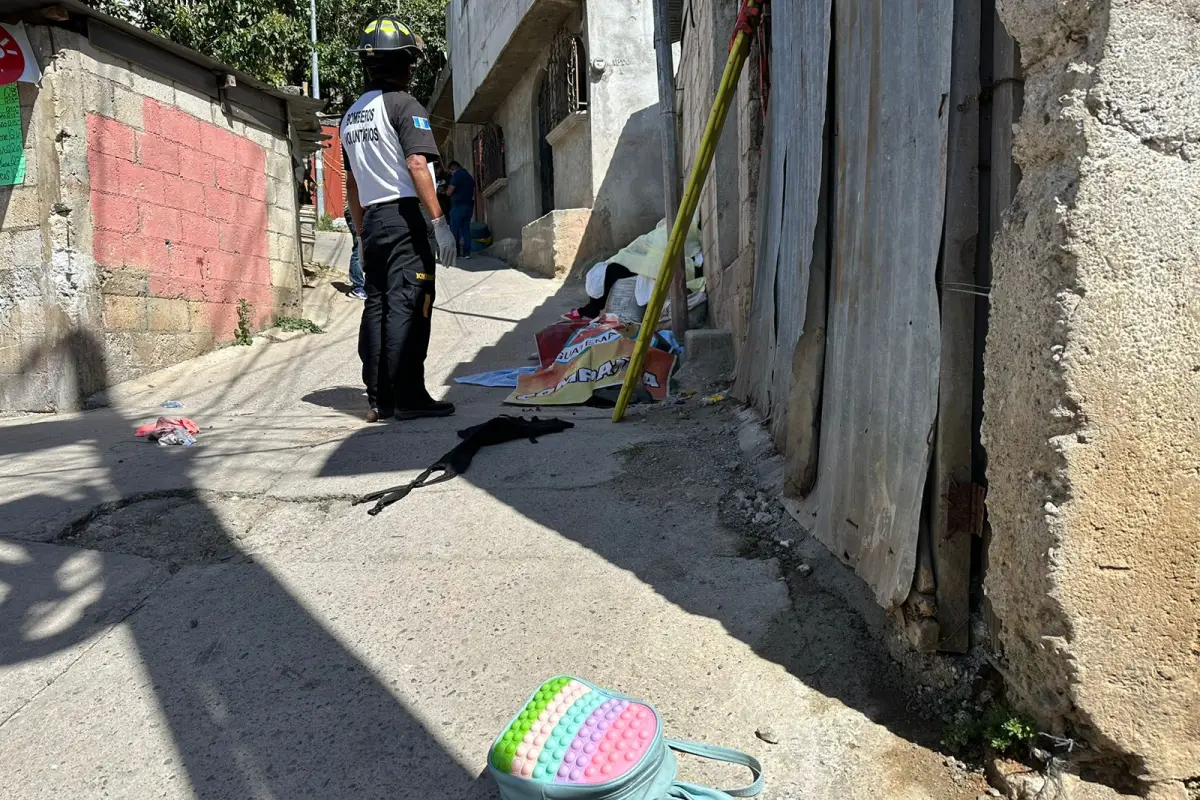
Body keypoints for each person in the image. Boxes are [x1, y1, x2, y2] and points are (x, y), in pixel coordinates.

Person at [341, 15, 458, 423]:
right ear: (406, 62)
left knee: (377, 304)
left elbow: (352, 184)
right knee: (410, 303)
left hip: (372, 219)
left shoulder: (351, 116)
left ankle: (380, 398)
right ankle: (409, 397)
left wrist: (360, 233)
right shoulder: (404, 105)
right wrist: (439, 221)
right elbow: (416, 163)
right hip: (404, 217)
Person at [445, 161, 476, 259]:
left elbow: (450, 191)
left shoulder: (456, 175)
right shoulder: (468, 176)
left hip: (458, 206)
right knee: (466, 229)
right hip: (469, 206)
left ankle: (456, 252)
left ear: (453, 168)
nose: (451, 173)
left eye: (451, 171)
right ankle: (467, 253)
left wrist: (445, 192)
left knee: (455, 230)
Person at [344, 201, 367, 299]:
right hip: (356, 210)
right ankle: (357, 286)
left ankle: (360, 284)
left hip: (359, 210)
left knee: (362, 247)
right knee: (359, 247)